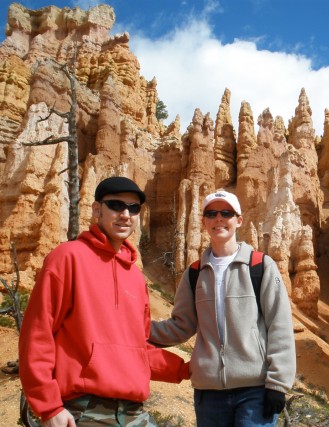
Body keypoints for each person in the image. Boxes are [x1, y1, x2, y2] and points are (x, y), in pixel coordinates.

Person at [19, 176, 190, 427]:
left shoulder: (135, 277)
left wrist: (185, 370)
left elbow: (138, 350)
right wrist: (49, 407)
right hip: (83, 410)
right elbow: (37, 334)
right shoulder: (68, 258)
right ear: (97, 209)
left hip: (133, 411)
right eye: (116, 205)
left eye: (133, 208)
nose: (125, 214)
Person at [150, 190, 296, 427]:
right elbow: (180, 326)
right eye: (211, 213)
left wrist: (278, 384)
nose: (219, 218)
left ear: (238, 220)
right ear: (204, 222)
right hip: (209, 395)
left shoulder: (260, 266)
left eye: (226, 213)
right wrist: (135, 330)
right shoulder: (195, 273)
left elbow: (279, 325)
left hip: (254, 391)